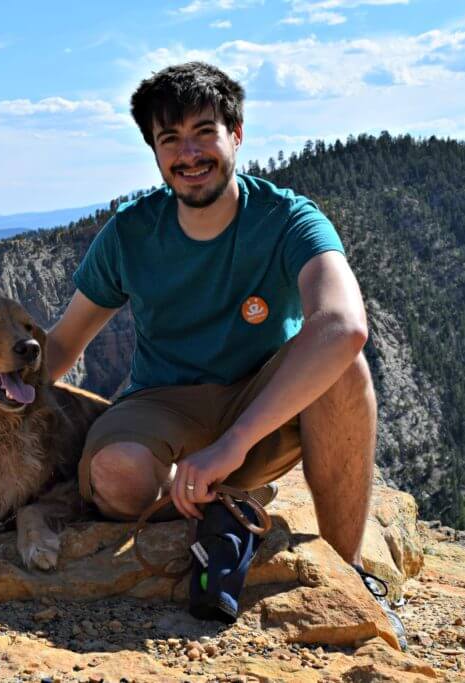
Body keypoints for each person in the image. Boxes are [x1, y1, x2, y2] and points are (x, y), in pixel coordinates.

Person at [44, 61, 405, 646]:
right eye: (170, 140)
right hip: (163, 400)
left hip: (261, 402)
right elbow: (64, 342)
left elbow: (343, 325)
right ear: (155, 154)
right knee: (116, 476)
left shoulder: (287, 219)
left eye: (203, 132)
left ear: (236, 134)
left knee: (346, 371)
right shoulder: (132, 232)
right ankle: (223, 505)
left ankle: (346, 569)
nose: (188, 153)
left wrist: (231, 443)